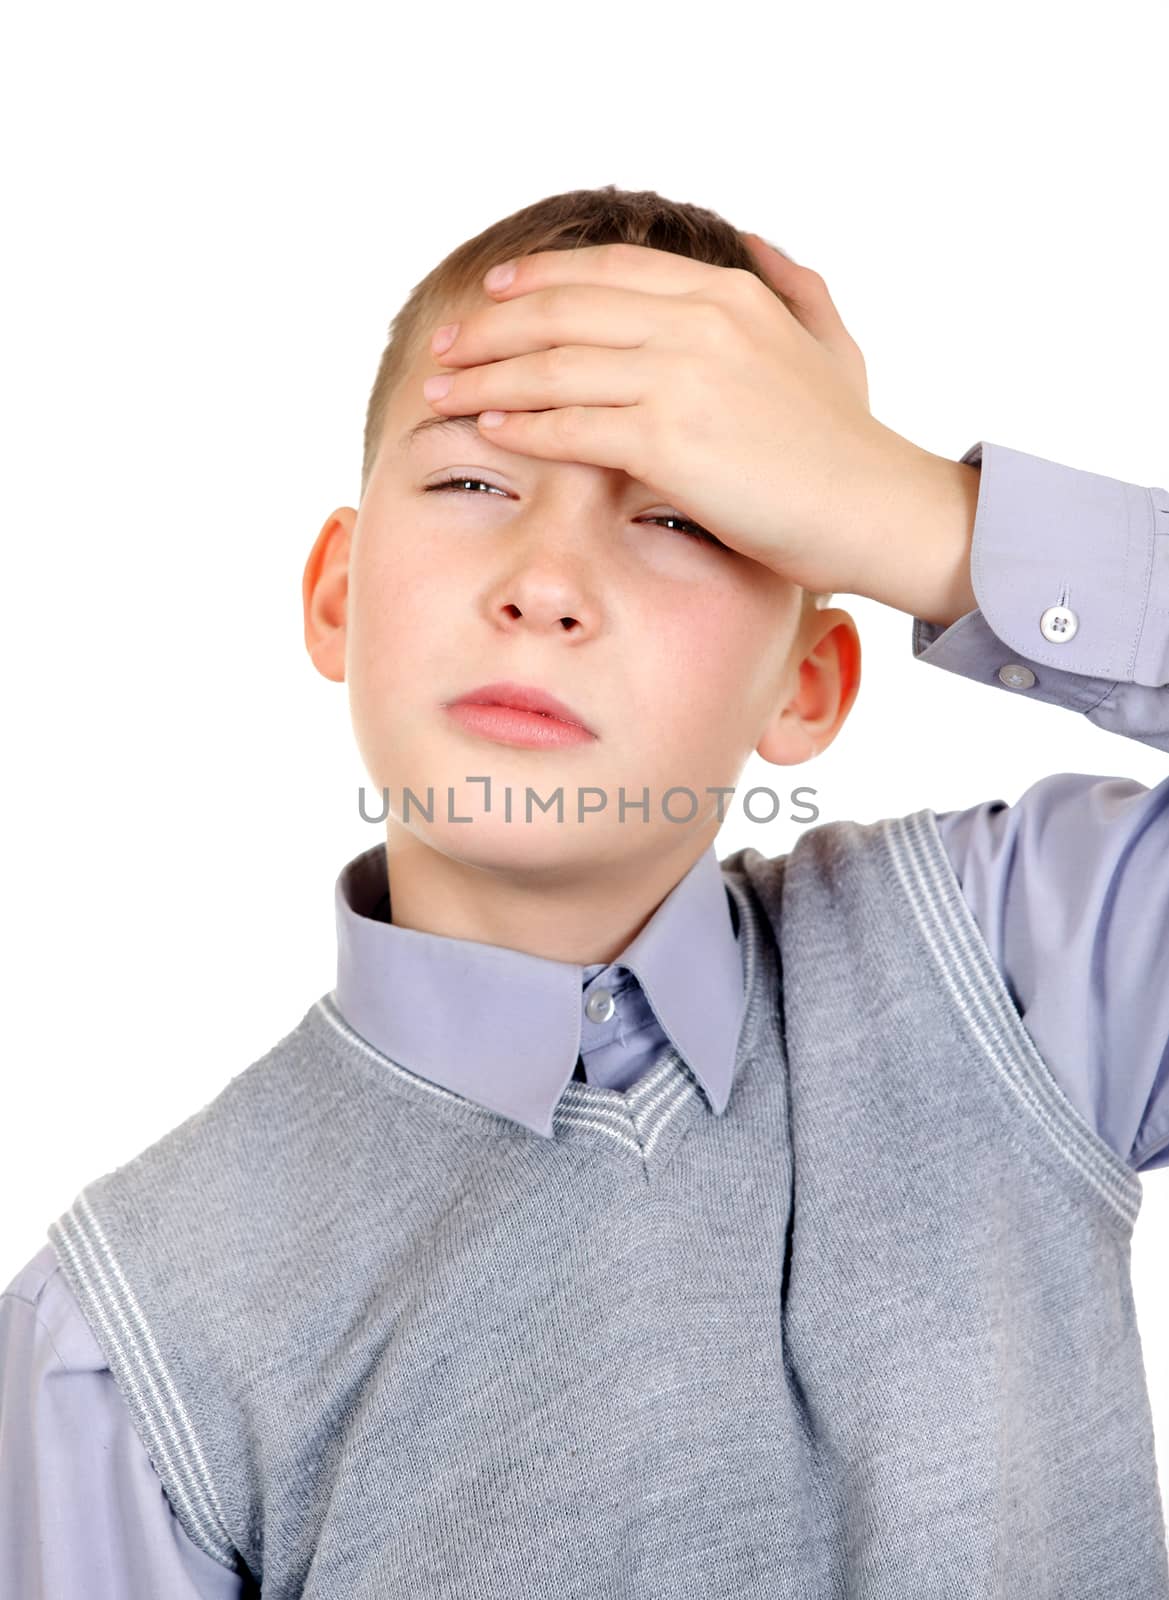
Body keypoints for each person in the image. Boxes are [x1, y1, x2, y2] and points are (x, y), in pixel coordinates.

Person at [2, 185, 1166, 1598]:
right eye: (471, 482)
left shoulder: (1027, 968)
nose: (545, 581)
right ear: (335, 594)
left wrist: (923, 515)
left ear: (806, 683)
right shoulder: (125, 1346)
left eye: (681, 515)